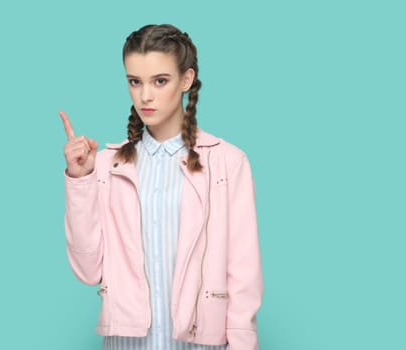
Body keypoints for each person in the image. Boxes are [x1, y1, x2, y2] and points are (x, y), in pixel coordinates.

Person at [60, 24, 263, 350]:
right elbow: (88, 271)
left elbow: (244, 273)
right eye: (134, 82)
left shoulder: (228, 162)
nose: (145, 96)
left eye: (160, 81)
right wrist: (80, 179)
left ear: (185, 80)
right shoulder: (108, 164)